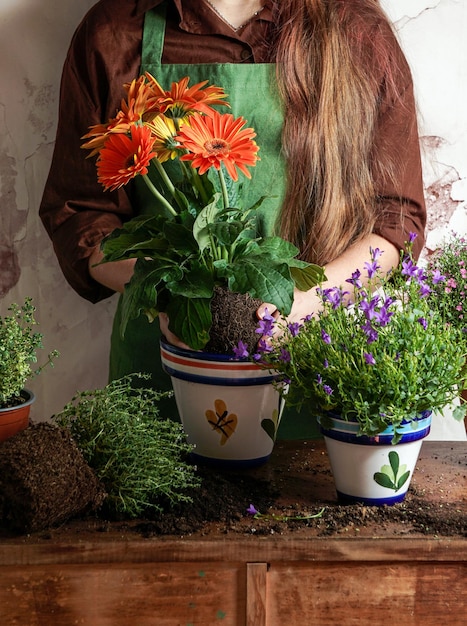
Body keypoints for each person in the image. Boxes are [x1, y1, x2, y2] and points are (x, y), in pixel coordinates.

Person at [40, 0, 426, 439]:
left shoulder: (355, 30)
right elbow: (80, 218)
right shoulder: (113, 32)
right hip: (163, 375)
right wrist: (170, 298)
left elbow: (397, 220)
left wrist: (301, 303)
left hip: (313, 375)